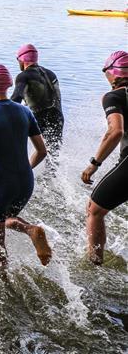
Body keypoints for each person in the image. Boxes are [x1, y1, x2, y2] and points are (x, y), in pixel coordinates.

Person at [0, 64, 52, 268]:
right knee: (6, 218)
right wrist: (25, 170)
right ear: (8, 85)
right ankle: (31, 230)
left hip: (0, 182)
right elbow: (42, 150)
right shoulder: (25, 111)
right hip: (25, 181)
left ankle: (3, 278)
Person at [81, 50, 128, 265]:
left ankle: (94, 264)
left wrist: (94, 164)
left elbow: (115, 131)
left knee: (95, 209)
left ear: (113, 73)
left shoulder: (114, 96)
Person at [11, 44, 64, 153]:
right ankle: (54, 171)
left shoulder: (23, 76)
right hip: (58, 117)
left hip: (39, 118)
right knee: (53, 154)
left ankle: (21, 168)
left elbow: (15, 100)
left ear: (22, 59)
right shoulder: (51, 74)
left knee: (17, 144)